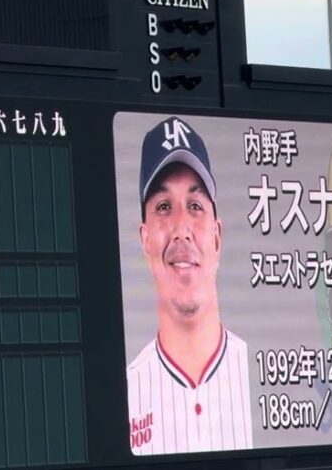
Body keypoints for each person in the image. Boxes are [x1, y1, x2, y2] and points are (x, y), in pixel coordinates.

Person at [126, 116, 252, 455]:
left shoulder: (258, 375)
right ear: (145, 238)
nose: (182, 228)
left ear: (217, 236)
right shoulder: (124, 394)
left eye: (195, 206)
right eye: (164, 207)